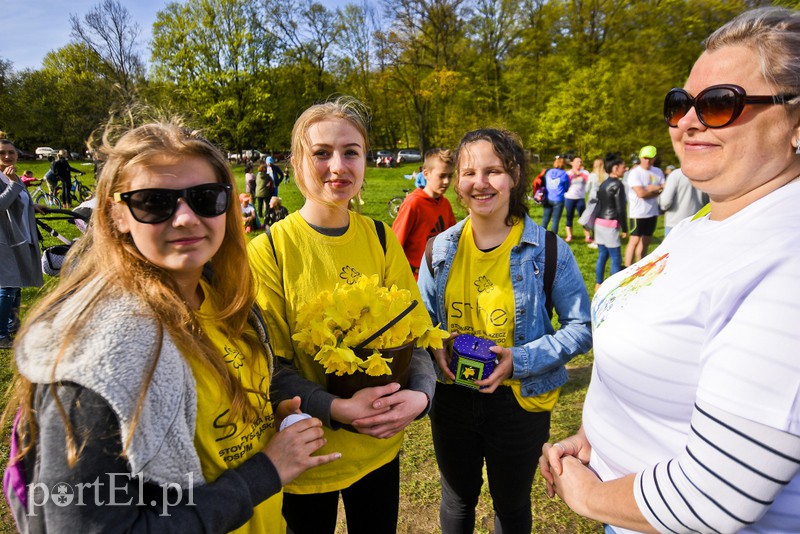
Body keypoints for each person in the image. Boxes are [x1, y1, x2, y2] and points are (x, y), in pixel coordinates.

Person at [5, 121, 340, 531]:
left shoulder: (221, 294)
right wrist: (266, 471)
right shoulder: (98, 356)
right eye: (153, 202)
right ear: (116, 214)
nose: (184, 218)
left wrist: (262, 417)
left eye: (205, 198)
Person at [540, 7, 800, 533]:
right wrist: (597, 439)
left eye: (719, 103)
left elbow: (714, 498)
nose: (686, 122)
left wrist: (587, 496)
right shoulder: (714, 218)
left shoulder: (787, 258)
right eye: (679, 104)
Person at [248, 97, 436, 534]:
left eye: (351, 152)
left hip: (378, 451)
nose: (338, 166)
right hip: (307, 457)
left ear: (365, 160)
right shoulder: (270, 250)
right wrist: (338, 408)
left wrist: (422, 397)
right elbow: (270, 368)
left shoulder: (380, 237)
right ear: (296, 163)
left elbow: (415, 334)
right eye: (321, 153)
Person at [418, 129, 592, 533]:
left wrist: (519, 360)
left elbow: (581, 327)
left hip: (519, 404)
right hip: (453, 399)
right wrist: (435, 341)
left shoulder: (548, 250)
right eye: (469, 173)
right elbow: (420, 322)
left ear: (514, 176)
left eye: (493, 171)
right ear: (457, 182)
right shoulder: (438, 249)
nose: (480, 183)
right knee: (457, 499)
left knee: (511, 505)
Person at [0, 135, 43, 349]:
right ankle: (1, 335)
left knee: (16, 287)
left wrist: (34, 207)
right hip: (3, 240)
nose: (7, 156)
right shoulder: (9, 179)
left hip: (19, 237)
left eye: (11, 152)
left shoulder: (13, 176)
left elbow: (19, 202)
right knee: (7, 286)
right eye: (2, 153)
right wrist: (14, 184)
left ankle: (13, 329)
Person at [391, 148, 457, 279]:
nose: (446, 181)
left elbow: (453, 240)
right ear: (426, 174)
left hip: (440, 277)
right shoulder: (413, 203)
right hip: (415, 278)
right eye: (442, 176)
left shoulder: (445, 204)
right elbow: (395, 245)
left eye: (450, 176)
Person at [623, 145, 664, 267]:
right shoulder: (635, 173)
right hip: (638, 213)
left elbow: (664, 187)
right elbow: (640, 194)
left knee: (646, 240)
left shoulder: (658, 171)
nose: (647, 161)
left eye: (650, 158)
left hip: (652, 212)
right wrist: (656, 190)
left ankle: (640, 265)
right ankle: (627, 267)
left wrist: (651, 188)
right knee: (634, 240)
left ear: (654, 158)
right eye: (645, 158)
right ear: (640, 158)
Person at [593, 154, 628, 290]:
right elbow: (621, 209)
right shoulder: (618, 184)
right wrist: (625, 228)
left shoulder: (603, 183)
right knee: (616, 257)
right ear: (615, 168)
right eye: (623, 167)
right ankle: (613, 289)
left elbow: (598, 205)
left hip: (599, 222)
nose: (626, 169)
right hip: (610, 224)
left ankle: (598, 283)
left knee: (602, 254)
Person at [658, 167, 708, 236]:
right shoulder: (703, 175)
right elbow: (707, 201)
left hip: (675, 223)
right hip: (697, 222)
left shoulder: (675, 175)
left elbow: (665, 202)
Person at [564, 156, 591, 243]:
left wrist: (580, 174)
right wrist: (572, 175)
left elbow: (589, 180)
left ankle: (588, 236)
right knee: (569, 217)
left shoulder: (585, 172)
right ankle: (569, 236)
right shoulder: (568, 173)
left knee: (584, 217)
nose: (579, 163)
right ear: (572, 163)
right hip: (569, 197)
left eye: (580, 162)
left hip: (580, 198)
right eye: (577, 162)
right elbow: (565, 184)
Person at [541, 154, 570, 235]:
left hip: (548, 198)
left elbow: (545, 183)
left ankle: (540, 237)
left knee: (545, 220)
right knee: (555, 221)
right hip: (559, 199)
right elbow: (567, 187)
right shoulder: (564, 174)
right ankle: (553, 238)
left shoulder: (549, 172)